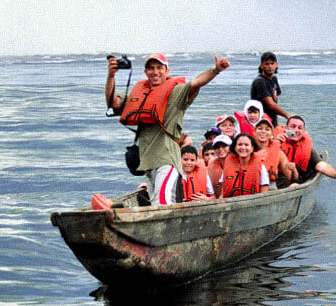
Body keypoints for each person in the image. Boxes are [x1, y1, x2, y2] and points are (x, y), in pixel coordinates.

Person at [105, 52, 230, 205]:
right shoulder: (140, 93)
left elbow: (197, 82)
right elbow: (114, 103)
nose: (155, 72)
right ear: (145, 72)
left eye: (159, 67)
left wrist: (215, 70)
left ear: (167, 71)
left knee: (162, 204)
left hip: (167, 159)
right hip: (148, 161)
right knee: (155, 203)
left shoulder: (176, 91)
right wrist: (111, 76)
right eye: (151, 68)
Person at [278, 114, 336, 190]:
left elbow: (321, 165)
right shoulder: (275, 142)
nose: (296, 130)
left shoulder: (307, 149)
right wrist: (274, 142)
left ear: (303, 132)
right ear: (286, 128)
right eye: (293, 126)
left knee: (295, 185)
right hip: (277, 182)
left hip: (295, 182)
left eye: (300, 128)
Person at [218, 132, 268, 198]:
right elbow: (222, 194)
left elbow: (264, 194)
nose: (243, 147)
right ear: (235, 147)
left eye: (246, 145)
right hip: (230, 205)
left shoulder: (261, 167)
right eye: (240, 144)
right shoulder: (227, 165)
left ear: (252, 148)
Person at [252, 116, 297, 188]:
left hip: (270, 187)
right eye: (260, 128)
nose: (263, 131)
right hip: (250, 186)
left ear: (272, 134)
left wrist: (293, 169)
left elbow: (291, 177)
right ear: (254, 132)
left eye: (267, 129)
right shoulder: (247, 149)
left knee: (295, 185)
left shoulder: (278, 153)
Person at [251, 51, 291, 126]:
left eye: (272, 64)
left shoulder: (274, 79)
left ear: (276, 65)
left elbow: (274, 99)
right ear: (261, 66)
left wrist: (277, 122)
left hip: (272, 121)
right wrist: (287, 116)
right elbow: (270, 104)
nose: (270, 66)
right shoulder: (260, 81)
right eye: (267, 64)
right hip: (261, 122)